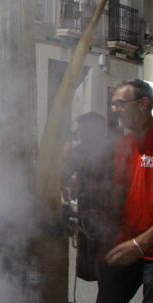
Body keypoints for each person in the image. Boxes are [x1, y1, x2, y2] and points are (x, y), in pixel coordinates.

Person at [96, 79, 153, 303]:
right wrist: (105, 243)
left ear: (143, 104)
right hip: (124, 247)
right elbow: (119, 195)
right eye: (113, 105)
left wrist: (140, 244)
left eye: (120, 103)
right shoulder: (123, 144)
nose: (115, 110)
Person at [62, 112, 116, 282]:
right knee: (99, 268)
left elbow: (60, 175)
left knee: (106, 267)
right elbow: (61, 175)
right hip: (89, 215)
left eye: (83, 130)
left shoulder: (114, 150)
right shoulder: (80, 151)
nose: (80, 133)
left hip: (109, 216)